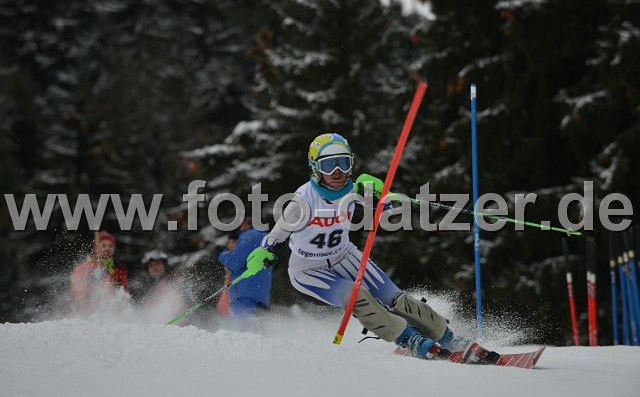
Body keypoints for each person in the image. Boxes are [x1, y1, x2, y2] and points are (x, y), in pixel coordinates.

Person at [243, 133, 500, 363]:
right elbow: (277, 235)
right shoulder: (303, 200)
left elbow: (382, 206)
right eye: (328, 165)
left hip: (345, 255)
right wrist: (265, 251)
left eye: (343, 163)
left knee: (395, 297)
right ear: (315, 168)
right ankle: (408, 338)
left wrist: (382, 197)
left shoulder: (356, 188)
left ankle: (448, 337)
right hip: (308, 269)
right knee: (357, 295)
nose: (337, 172)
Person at [217, 216, 273, 320]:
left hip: (245, 296)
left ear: (246, 223)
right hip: (261, 297)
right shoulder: (266, 238)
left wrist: (221, 254)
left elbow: (234, 263)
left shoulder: (248, 236)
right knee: (256, 329)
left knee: (240, 329)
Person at [69, 231, 129, 315]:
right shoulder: (84, 267)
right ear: (96, 247)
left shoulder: (119, 267)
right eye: (103, 245)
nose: (107, 248)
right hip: (86, 312)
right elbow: (75, 289)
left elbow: (123, 290)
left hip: (110, 313)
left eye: (110, 246)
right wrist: (91, 280)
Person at [140, 250, 193, 317]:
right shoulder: (147, 287)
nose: (154, 268)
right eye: (151, 266)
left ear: (164, 265)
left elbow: (189, 297)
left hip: (182, 318)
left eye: (157, 264)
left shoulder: (175, 279)